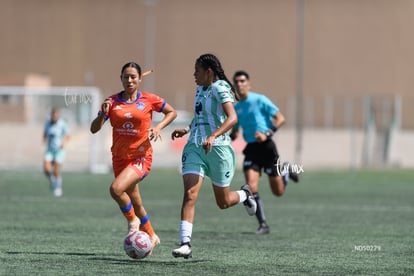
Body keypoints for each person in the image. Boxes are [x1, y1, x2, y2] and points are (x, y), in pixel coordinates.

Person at [170, 54, 257, 259]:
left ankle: (244, 195)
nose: (194, 75)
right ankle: (185, 244)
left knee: (223, 202)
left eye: (197, 71)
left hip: (218, 150)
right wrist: (188, 129)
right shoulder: (200, 89)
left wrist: (213, 135)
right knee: (190, 194)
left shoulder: (220, 88)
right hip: (195, 148)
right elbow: (201, 115)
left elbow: (232, 118)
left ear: (208, 72)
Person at [90, 62, 177, 254]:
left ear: (139, 79)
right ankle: (152, 236)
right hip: (119, 159)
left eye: (133, 77)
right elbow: (94, 129)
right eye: (125, 77)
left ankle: (132, 221)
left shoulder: (149, 99)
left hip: (141, 157)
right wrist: (102, 115)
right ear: (120, 78)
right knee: (136, 203)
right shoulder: (111, 102)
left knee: (115, 189)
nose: (129, 80)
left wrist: (158, 127)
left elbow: (172, 112)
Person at [230, 70, 299, 235]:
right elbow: (235, 130)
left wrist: (266, 134)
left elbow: (281, 119)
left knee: (278, 192)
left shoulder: (259, 100)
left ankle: (286, 171)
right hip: (252, 150)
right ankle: (263, 224)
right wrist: (228, 137)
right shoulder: (236, 107)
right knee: (251, 188)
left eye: (242, 81)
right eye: (237, 82)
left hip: (267, 147)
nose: (239, 84)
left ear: (248, 83)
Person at [43, 108, 70, 197]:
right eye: (53, 115)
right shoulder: (47, 123)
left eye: (56, 115)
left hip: (59, 151)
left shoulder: (62, 124)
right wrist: (44, 139)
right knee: (46, 169)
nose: (55, 117)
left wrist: (64, 142)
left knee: (56, 171)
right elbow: (45, 133)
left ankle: (58, 187)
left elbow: (68, 135)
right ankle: (52, 180)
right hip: (50, 150)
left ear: (58, 116)